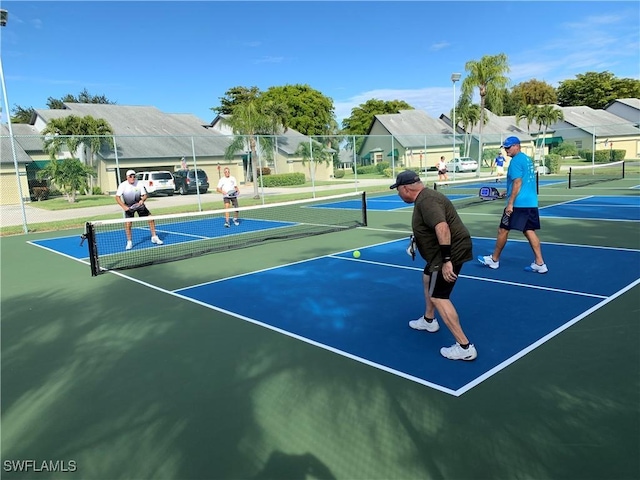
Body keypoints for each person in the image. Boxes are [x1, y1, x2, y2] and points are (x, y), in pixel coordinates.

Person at [390, 170, 477, 361]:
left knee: (439, 297)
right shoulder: (425, 197)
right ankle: (429, 320)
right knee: (427, 276)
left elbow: (442, 227)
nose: (398, 194)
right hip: (441, 253)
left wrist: (447, 261)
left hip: (448, 253)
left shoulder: (427, 201)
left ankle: (464, 347)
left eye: (398, 190)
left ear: (406, 188)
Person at [478, 136, 548, 274]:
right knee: (529, 231)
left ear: (517, 146)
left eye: (508, 147)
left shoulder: (515, 162)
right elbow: (522, 181)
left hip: (518, 205)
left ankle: (494, 260)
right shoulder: (527, 159)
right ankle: (540, 263)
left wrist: (510, 203)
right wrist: (508, 192)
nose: (506, 150)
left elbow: (518, 182)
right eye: (505, 147)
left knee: (503, 229)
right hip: (530, 202)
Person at [115, 170, 163, 250]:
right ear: (127, 177)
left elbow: (144, 195)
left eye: (134, 176)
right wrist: (124, 207)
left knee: (150, 218)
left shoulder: (139, 183)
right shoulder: (122, 185)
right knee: (128, 224)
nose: (132, 178)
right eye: (130, 176)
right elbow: (117, 197)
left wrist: (142, 200)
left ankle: (154, 237)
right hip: (129, 206)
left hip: (139, 205)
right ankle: (129, 242)